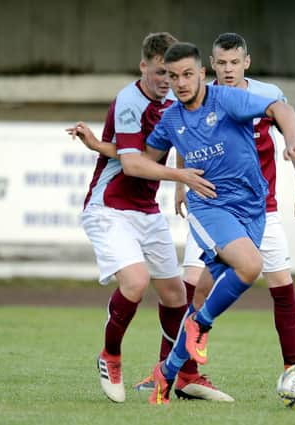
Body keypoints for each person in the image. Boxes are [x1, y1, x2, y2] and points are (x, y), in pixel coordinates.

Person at [113, 41, 295, 405]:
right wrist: (106, 148)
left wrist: (293, 140)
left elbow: (280, 108)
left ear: (202, 73)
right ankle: (200, 326)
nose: (181, 82)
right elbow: (142, 160)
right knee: (250, 266)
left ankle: (167, 373)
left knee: (204, 288)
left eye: (188, 74)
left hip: (252, 207)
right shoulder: (171, 118)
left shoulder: (225, 100)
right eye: (173, 77)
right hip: (211, 207)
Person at [66, 32, 232, 403]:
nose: (165, 81)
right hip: (109, 207)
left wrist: (181, 180)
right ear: (143, 67)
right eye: (159, 73)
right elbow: (133, 163)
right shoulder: (129, 101)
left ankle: (183, 374)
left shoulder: (176, 98)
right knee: (137, 282)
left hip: (146, 210)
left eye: (171, 75)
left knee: (176, 297)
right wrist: (181, 177)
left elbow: (173, 144)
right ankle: (110, 356)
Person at [173, 33, 295, 373]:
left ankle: (292, 371)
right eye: (221, 63)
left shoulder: (267, 97)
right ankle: (179, 372)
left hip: (260, 210)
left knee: (282, 285)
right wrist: (180, 183)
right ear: (212, 65)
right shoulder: (201, 98)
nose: (228, 69)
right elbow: (183, 135)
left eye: (235, 62)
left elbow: (293, 138)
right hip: (214, 210)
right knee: (193, 284)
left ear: (246, 63)